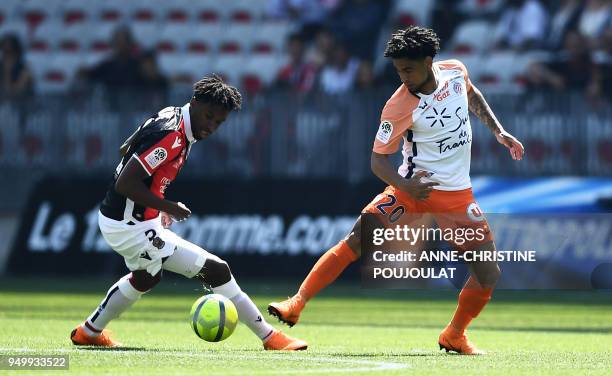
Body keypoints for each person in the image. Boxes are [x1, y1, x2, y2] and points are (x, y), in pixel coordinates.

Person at [268, 26, 524, 355]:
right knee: (357, 239)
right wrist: (406, 186)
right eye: (398, 69)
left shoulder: (455, 71)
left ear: (429, 61)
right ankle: (296, 303)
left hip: (458, 196)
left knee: (488, 272)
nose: (402, 76)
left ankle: (454, 335)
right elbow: (378, 161)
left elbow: (472, 95)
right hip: (409, 191)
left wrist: (499, 131)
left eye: (408, 69)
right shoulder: (399, 105)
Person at [70, 75, 307, 351]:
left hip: (129, 218)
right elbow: (126, 182)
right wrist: (166, 206)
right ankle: (270, 337)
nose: (211, 126)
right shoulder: (172, 133)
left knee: (146, 277)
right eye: (208, 116)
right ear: (195, 103)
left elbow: (127, 146)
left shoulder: (174, 117)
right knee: (217, 270)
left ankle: (89, 331)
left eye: (219, 122)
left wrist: (154, 203)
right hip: (128, 225)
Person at [0, 33, 33, 100]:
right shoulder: (1, 66)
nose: (8, 57)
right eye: (5, 53)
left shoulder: (25, 69)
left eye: (10, 53)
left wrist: (7, 72)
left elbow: (15, 92)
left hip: (22, 104)